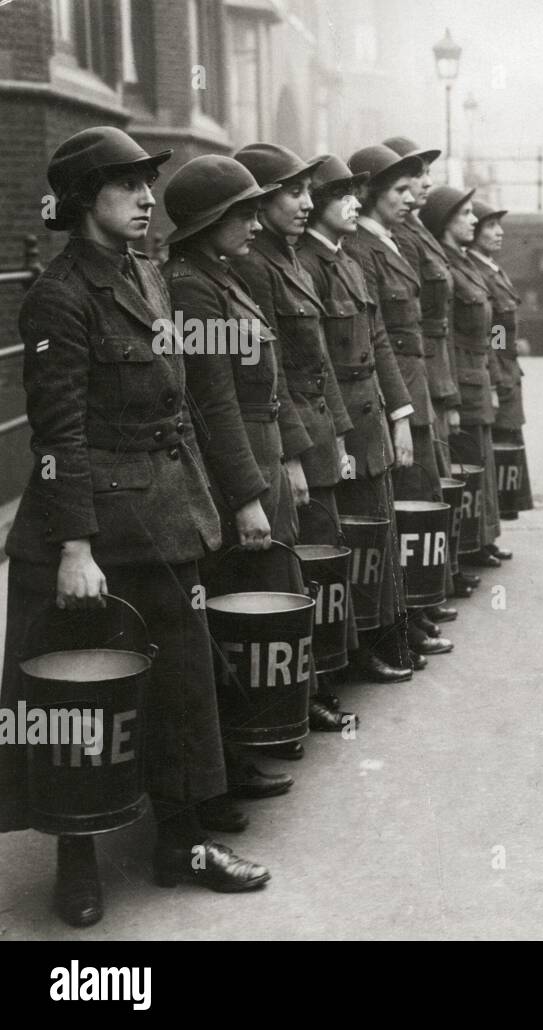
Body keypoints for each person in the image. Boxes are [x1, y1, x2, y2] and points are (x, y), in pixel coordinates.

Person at [1, 127, 270, 929]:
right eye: (128, 186)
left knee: (182, 683)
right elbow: (59, 434)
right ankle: (76, 864)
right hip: (89, 533)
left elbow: (183, 402)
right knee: (80, 700)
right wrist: (75, 547)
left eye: (150, 184)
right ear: (88, 199)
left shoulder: (149, 277)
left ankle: (181, 843)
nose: (149, 198)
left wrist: (211, 498)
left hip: (163, 513)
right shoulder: (58, 296)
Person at [161, 154, 318, 832]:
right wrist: (248, 494)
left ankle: (237, 756)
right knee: (226, 620)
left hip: (258, 457)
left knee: (246, 611)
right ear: (209, 222)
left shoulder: (220, 279)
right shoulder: (192, 288)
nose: (256, 221)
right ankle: (216, 775)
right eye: (243, 212)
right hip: (231, 475)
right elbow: (214, 402)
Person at [299, 153, 443, 679]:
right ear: (318, 204)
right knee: (355, 539)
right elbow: (314, 363)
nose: (354, 204)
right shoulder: (310, 265)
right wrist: (339, 435)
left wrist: (399, 413)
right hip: (343, 423)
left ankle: (388, 632)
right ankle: (364, 647)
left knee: (379, 532)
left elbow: (379, 340)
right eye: (343, 196)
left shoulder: (347, 261)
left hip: (370, 418)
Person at [346, 143, 457, 659]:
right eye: (399, 189)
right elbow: (378, 336)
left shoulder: (388, 243)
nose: (412, 198)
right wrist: (400, 409)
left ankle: (416, 608)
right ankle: (405, 614)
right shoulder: (361, 251)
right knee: (404, 504)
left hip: (412, 383)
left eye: (415, 188)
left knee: (417, 498)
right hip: (394, 389)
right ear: (369, 193)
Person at [231, 144, 353, 529]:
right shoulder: (253, 266)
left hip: (318, 435)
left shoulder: (291, 258)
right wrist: (292, 457)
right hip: (293, 444)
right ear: (262, 202)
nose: (308, 204)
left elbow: (320, 359)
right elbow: (271, 371)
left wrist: (338, 436)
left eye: (308, 192)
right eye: (294, 192)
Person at [423, 185, 509, 562]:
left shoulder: (465, 264)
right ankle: (468, 547)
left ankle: (482, 539)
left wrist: (497, 371)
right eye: (467, 214)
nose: (474, 221)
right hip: (461, 378)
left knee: (481, 462)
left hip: (478, 376)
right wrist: (453, 395)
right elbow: (447, 335)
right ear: (445, 220)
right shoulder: (448, 267)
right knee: (467, 463)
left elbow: (493, 331)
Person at [382, 137, 461, 493]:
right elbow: (406, 317)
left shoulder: (415, 228)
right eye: (417, 174)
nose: (427, 182)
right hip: (417, 369)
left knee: (436, 471)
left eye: (428, 173)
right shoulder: (399, 234)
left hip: (432, 367)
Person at [467, 200, 534, 516]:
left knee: (504, 456)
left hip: (508, 372)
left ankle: (492, 532)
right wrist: (497, 378)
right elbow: (491, 333)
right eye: (490, 226)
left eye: (499, 225)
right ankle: (488, 532)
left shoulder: (492, 269)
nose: (499, 232)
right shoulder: (478, 271)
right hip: (499, 375)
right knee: (495, 456)